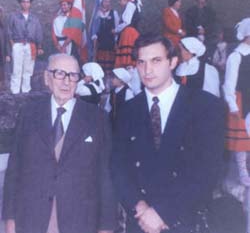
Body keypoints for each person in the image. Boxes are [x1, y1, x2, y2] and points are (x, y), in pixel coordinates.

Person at [110, 33, 224, 233]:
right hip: (141, 222)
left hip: (186, 220)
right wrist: (140, 207)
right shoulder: (127, 110)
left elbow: (208, 169)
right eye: (141, 62)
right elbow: (119, 167)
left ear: (172, 62)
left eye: (156, 60)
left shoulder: (204, 105)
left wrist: (163, 212)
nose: (147, 70)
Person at [2, 53, 116, 233]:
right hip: (32, 219)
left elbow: (106, 176)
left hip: (80, 221)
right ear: (47, 78)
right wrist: (9, 218)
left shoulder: (97, 118)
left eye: (72, 75)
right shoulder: (29, 114)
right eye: (60, 74)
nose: (67, 81)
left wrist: (106, 227)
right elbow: (14, 169)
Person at [222, 17, 250, 233]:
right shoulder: (236, 56)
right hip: (241, 99)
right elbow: (229, 83)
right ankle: (242, 170)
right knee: (242, 140)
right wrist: (232, 104)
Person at [7, 0, 43, 94]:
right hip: (18, 44)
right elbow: (9, 32)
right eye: (23, 2)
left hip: (31, 45)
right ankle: (15, 92)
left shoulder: (34, 18)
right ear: (20, 3)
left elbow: (38, 32)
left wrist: (39, 46)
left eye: (27, 2)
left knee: (28, 69)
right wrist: (13, 45)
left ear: (30, 4)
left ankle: (26, 91)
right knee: (16, 69)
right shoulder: (13, 16)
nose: (25, 4)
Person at [89, 0, 119, 74]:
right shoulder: (97, 14)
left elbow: (117, 28)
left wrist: (116, 41)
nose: (107, 3)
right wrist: (95, 40)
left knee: (110, 65)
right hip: (100, 43)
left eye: (109, 1)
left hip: (110, 43)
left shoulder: (114, 13)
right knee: (100, 65)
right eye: (105, 1)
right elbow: (94, 29)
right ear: (101, 2)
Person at [113, 0, 142, 68]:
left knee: (127, 58)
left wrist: (116, 30)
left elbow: (126, 22)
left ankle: (128, 71)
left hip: (128, 33)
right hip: (134, 32)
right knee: (131, 54)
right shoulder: (136, 4)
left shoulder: (130, 5)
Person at [0, 6, 10, 90]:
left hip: (1, 53)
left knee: (2, 71)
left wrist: (7, 54)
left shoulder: (3, 26)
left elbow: (6, 41)